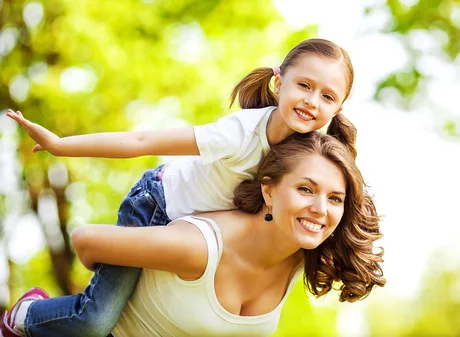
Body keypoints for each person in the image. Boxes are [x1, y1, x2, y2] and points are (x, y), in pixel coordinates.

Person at [2, 38, 358, 336]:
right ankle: (26, 311)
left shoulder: (313, 153)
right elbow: (143, 140)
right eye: (305, 86)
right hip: (158, 203)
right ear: (279, 83)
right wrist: (62, 145)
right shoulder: (237, 135)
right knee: (95, 322)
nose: (312, 102)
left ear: (339, 107)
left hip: (199, 227)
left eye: (328, 97)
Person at [4, 132, 385, 337]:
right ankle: (25, 313)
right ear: (268, 190)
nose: (321, 208)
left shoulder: (304, 252)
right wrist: (126, 272)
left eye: (335, 198)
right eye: (305, 189)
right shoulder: (198, 247)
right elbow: (86, 240)